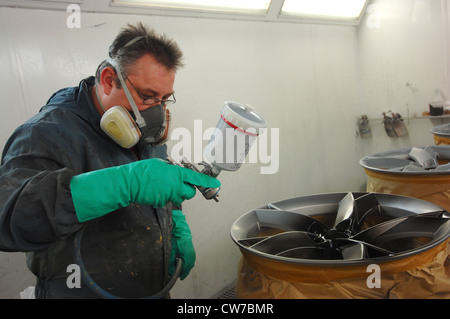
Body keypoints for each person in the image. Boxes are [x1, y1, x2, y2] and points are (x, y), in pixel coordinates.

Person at [0, 22, 220, 298]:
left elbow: (157, 180)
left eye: (165, 99)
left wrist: (177, 222)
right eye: (148, 96)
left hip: (150, 285)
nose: (158, 112)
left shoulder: (141, 126)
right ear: (108, 79)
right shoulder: (45, 133)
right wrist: (124, 184)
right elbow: (8, 218)